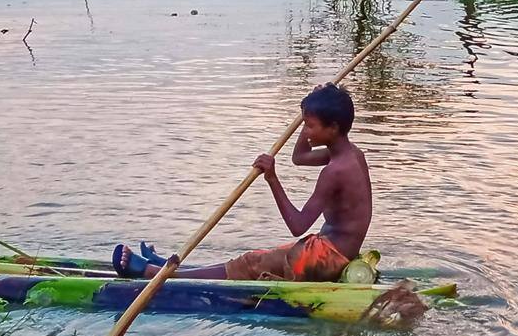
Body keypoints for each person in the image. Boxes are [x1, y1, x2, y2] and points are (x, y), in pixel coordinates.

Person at [113, 83, 371, 282]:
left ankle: (155, 274)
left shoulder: (336, 170)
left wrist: (272, 179)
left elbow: (298, 225)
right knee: (259, 256)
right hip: (328, 249)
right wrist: (311, 110)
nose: (306, 132)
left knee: (251, 262)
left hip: (328, 259)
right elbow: (299, 157)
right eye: (304, 125)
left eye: (311, 127)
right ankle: (169, 267)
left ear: (333, 128)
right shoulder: (350, 154)